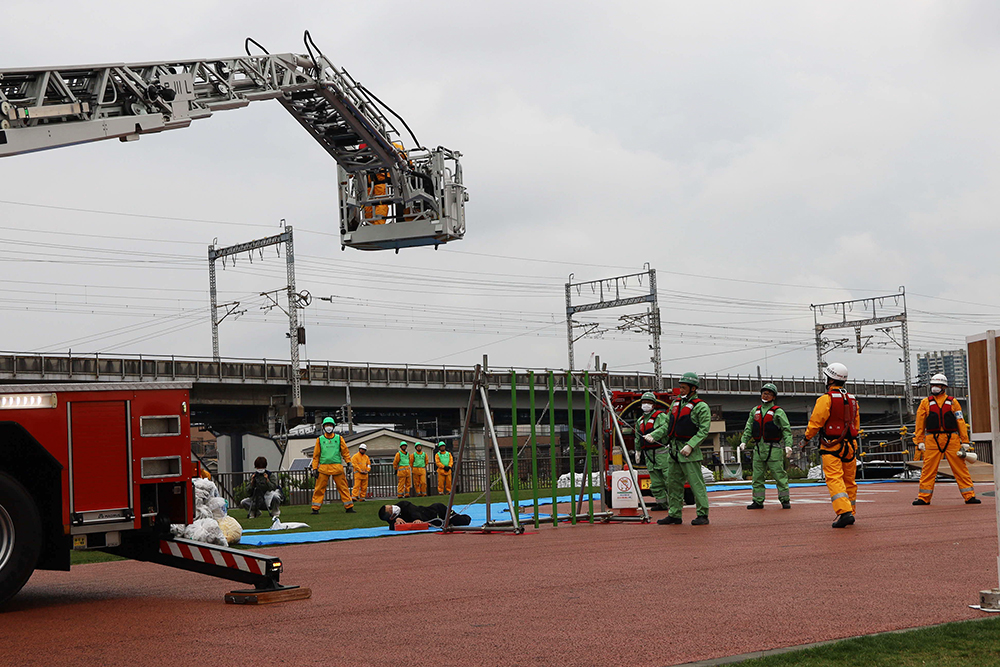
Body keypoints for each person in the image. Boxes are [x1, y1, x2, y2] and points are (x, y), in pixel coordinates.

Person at [803, 362, 860, 528]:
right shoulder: (853, 400)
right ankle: (851, 511)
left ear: (829, 380)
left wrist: (806, 439)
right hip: (850, 446)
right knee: (850, 480)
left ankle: (844, 512)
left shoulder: (825, 400)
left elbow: (815, 422)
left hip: (831, 446)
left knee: (834, 478)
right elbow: (856, 424)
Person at [912, 373, 980, 506]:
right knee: (928, 470)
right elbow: (919, 424)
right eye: (933, 385)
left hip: (952, 439)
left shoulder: (953, 402)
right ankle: (924, 497)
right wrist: (919, 441)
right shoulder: (925, 403)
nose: (934, 388)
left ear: (944, 387)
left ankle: (969, 496)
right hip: (932, 439)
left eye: (937, 385)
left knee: (960, 469)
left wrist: (964, 441)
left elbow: (960, 421)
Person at [660, 372, 711, 526]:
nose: (680, 390)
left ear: (693, 388)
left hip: (690, 452)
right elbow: (667, 425)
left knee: (696, 484)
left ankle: (703, 514)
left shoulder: (701, 407)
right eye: (680, 387)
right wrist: (653, 435)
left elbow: (703, 430)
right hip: (674, 451)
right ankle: (674, 514)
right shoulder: (675, 404)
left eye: (683, 387)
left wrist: (691, 445)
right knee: (673, 483)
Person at [739, 383, 792, 510]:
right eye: (764, 393)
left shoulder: (778, 412)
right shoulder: (754, 411)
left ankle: (785, 500)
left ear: (774, 397)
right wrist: (743, 440)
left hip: (774, 448)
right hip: (758, 448)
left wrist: (788, 445)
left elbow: (786, 429)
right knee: (757, 476)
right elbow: (749, 427)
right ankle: (757, 501)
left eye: (769, 393)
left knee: (779, 475)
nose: (766, 395)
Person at [310, 417, 355, 515]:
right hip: (323, 467)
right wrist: (314, 468)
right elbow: (316, 456)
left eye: (330, 425)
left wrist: (349, 463)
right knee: (319, 488)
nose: (328, 427)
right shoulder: (320, 440)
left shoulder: (339, 438)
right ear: (323, 427)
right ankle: (315, 508)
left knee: (343, 487)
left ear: (333, 427)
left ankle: (349, 506)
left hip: (337, 467)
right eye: (327, 425)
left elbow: (345, 452)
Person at [635, 391, 670, 511]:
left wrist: (654, 435)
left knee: (669, 480)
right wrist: (638, 451)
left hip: (662, 454)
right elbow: (637, 437)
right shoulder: (640, 421)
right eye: (644, 402)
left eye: (649, 403)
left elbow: (665, 428)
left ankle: (674, 504)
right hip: (649, 455)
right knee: (655, 483)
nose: (646, 405)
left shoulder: (661, 416)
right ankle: (662, 503)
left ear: (654, 405)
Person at [378, 501, 472, 530]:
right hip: (436, 521)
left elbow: (413, 510)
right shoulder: (393, 521)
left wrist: (417, 519)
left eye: (391, 506)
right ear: (391, 516)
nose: (393, 507)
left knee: (462, 521)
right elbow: (391, 526)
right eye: (391, 509)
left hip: (437, 511)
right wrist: (395, 521)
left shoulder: (402, 505)